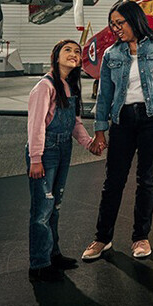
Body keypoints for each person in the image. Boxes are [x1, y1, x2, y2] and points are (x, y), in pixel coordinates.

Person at [82, 1, 153, 261]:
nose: (115, 29)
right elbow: (104, 95)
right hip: (122, 120)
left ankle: (140, 237)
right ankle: (102, 238)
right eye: (112, 25)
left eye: (120, 23)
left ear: (134, 20)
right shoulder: (112, 54)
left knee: (146, 179)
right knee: (113, 181)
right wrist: (100, 129)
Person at [26, 40, 100, 282]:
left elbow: (75, 123)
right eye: (67, 50)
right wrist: (35, 158)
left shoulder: (71, 87)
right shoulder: (44, 87)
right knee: (42, 210)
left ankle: (53, 255)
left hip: (63, 148)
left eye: (77, 51)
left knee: (54, 206)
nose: (74, 54)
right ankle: (39, 263)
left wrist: (89, 143)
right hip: (45, 151)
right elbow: (35, 125)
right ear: (55, 55)